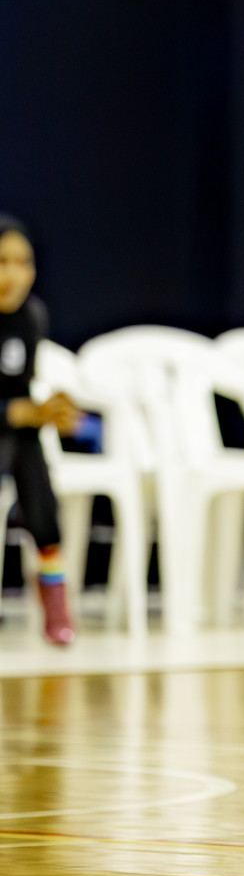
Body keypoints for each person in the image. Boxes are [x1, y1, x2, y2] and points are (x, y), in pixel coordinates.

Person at [0, 216, 83, 647]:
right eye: (2, 261)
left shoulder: (31, 316)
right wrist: (18, 413)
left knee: (35, 472)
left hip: (13, 435)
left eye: (23, 262)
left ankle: (55, 594)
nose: (13, 275)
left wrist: (50, 411)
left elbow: (21, 390)